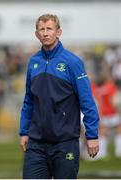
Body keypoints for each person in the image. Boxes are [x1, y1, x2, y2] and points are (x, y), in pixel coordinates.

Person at [19, 14, 99, 179]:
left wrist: (92, 135)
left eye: (49, 29)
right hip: (36, 144)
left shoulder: (73, 62)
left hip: (65, 143)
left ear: (59, 32)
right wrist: (24, 132)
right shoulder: (33, 62)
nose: (45, 33)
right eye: (41, 29)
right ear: (36, 34)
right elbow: (28, 101)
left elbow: (87, 101)